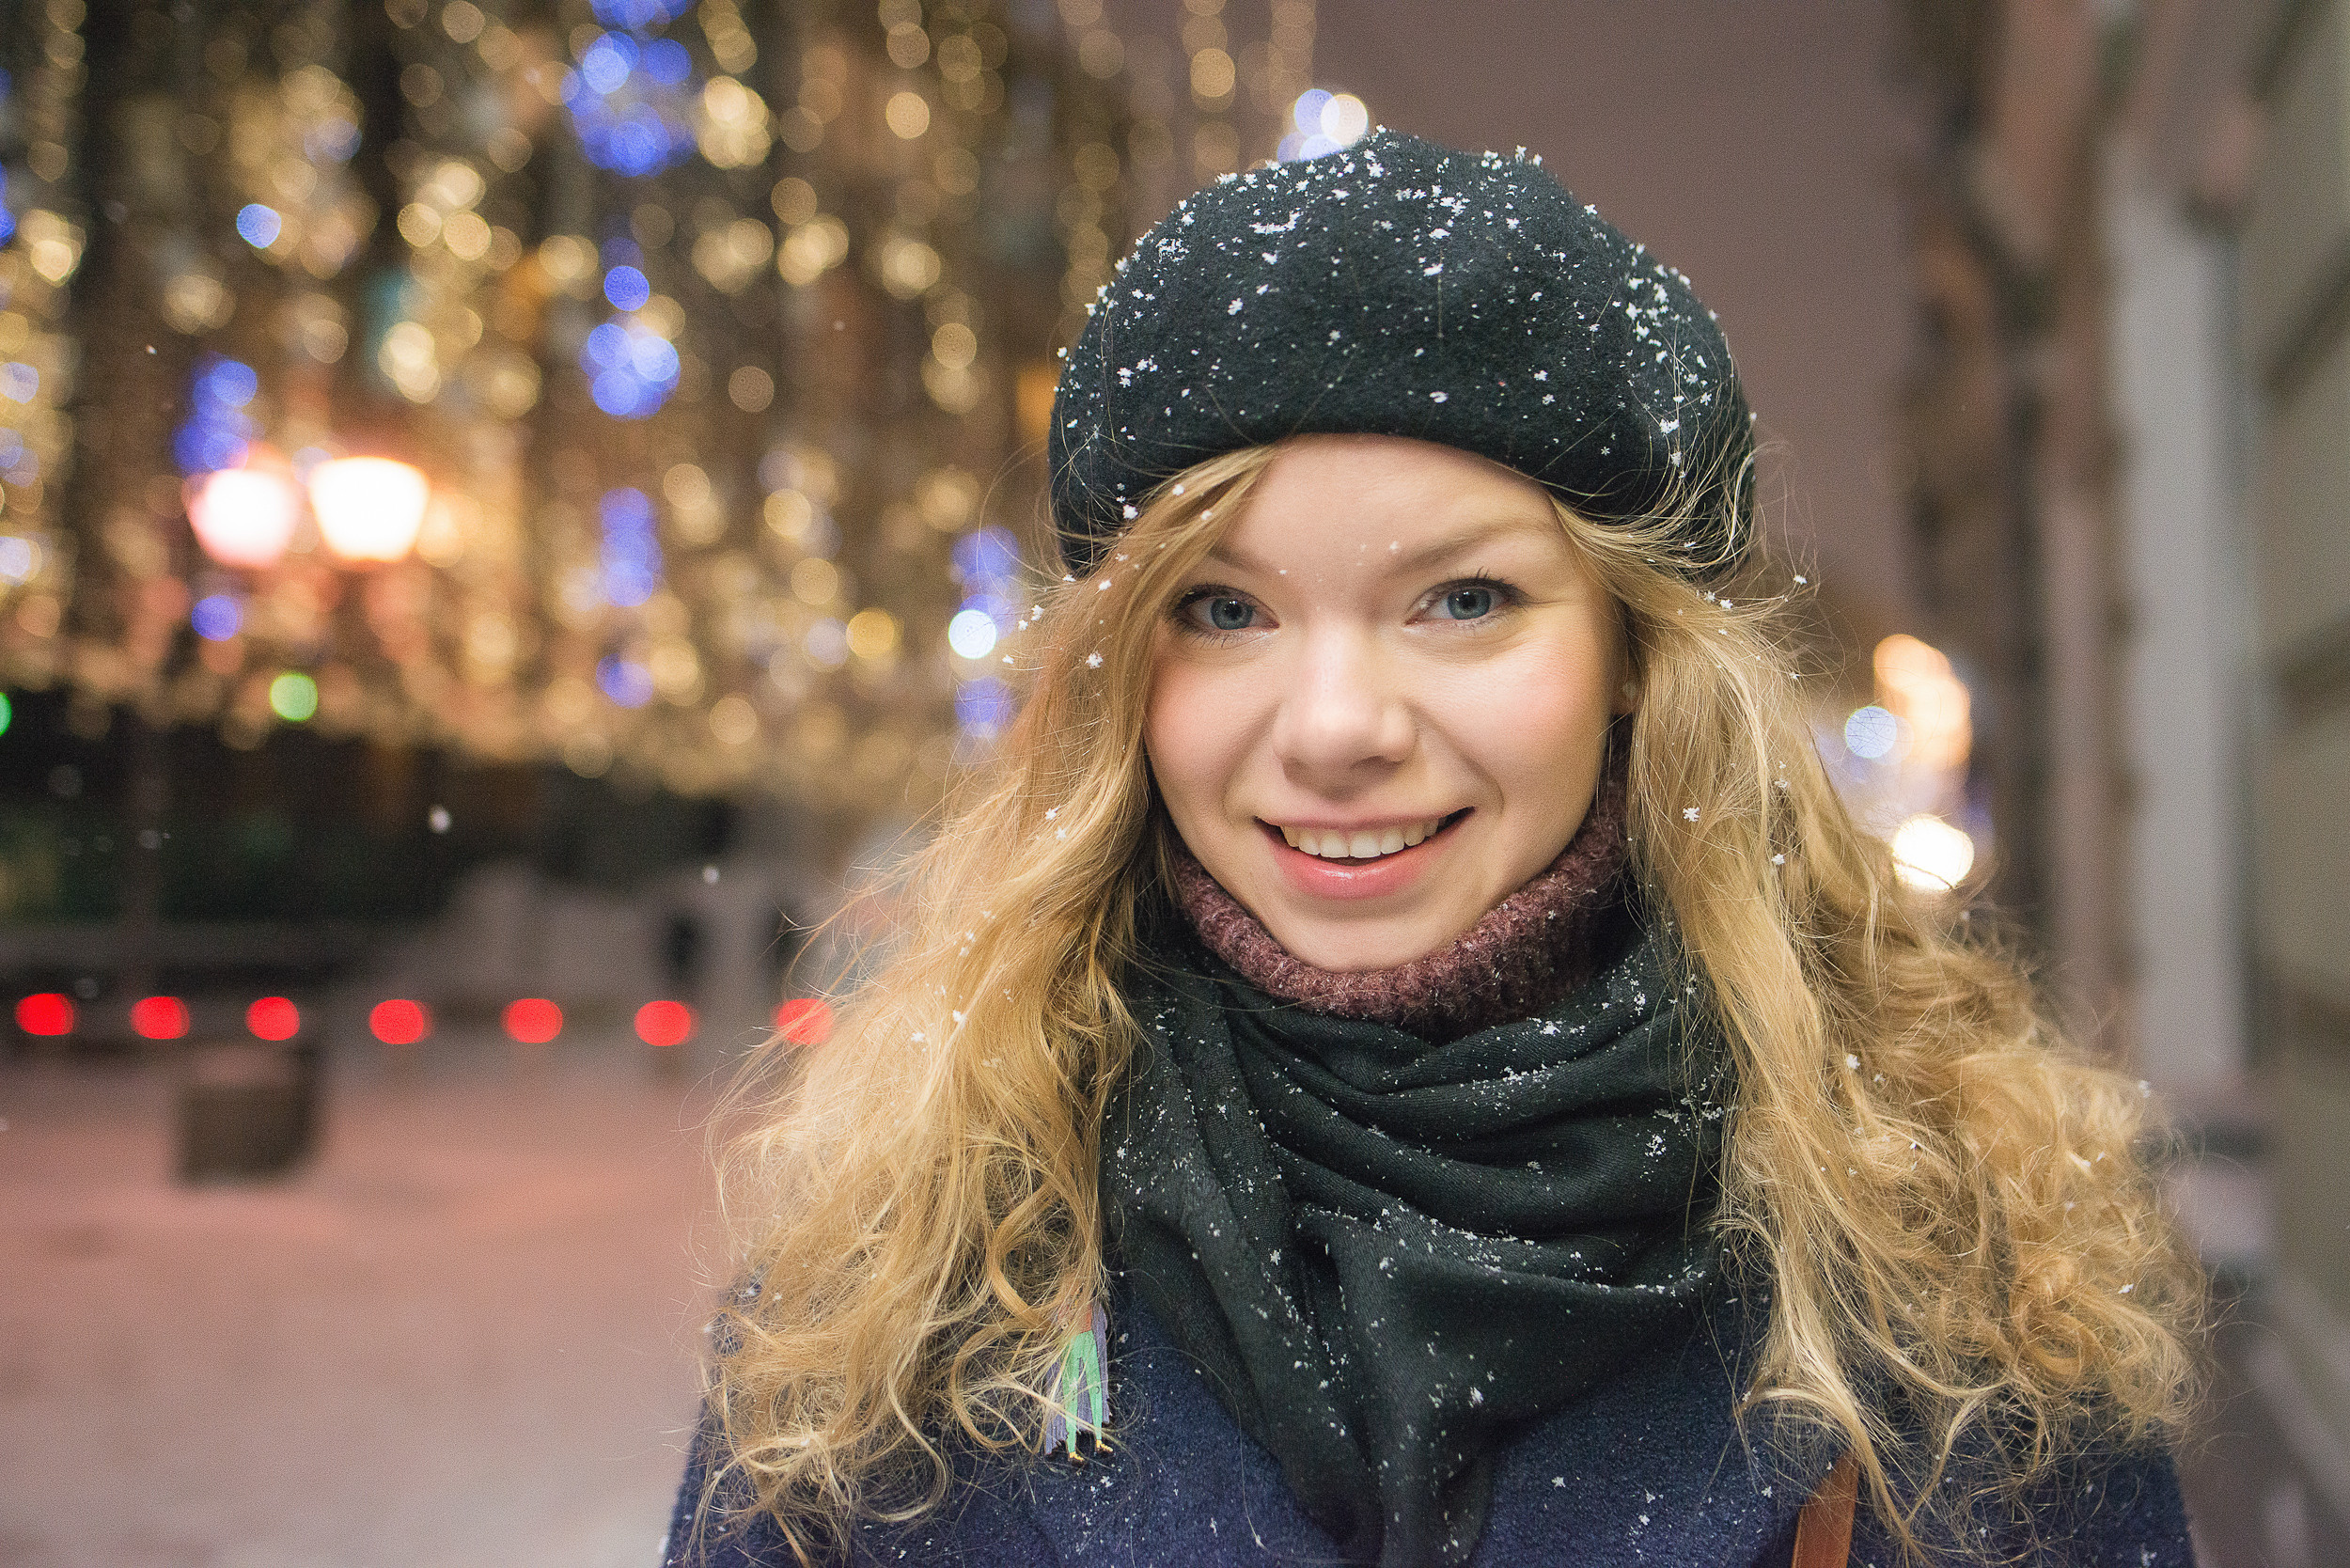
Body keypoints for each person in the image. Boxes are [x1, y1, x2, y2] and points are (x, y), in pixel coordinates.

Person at [665, 131, 2202, 1568]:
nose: (1335, 726)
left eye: (1463, 599)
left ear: (1636, 661)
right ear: (1119, 674)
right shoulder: (907, 1267)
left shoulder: (1959, 1261)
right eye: (1225, 606)